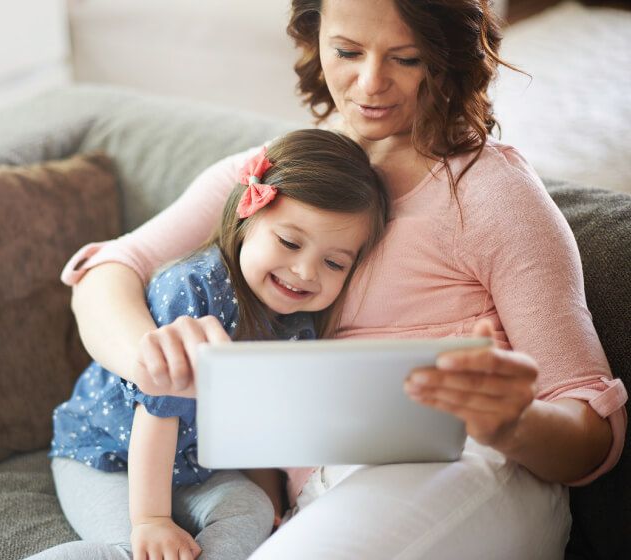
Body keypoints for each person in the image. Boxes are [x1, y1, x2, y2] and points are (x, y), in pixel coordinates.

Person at [60, 1, 628, 558]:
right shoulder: (285, 175)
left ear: (447, 56)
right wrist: (150, 358)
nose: (371, 82)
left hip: (467, 464)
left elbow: (592, 427)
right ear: (315, 37)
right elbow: (104, 271)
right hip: (318, 492)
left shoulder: (491, 193)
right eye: (348, 51)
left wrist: (515, 422)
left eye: (406, 58)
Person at [31, 129, 389, 560]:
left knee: (251, 510)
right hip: (108, 453)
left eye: (334, 263)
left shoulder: (299, 321)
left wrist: (272, 496)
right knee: (129, 549)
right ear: (246, 217)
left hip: (198, 466)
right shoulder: (193, 289)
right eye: (290, 242)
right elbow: (159, 412)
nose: (305, 271)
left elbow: (256, 420)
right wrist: (152, 522)